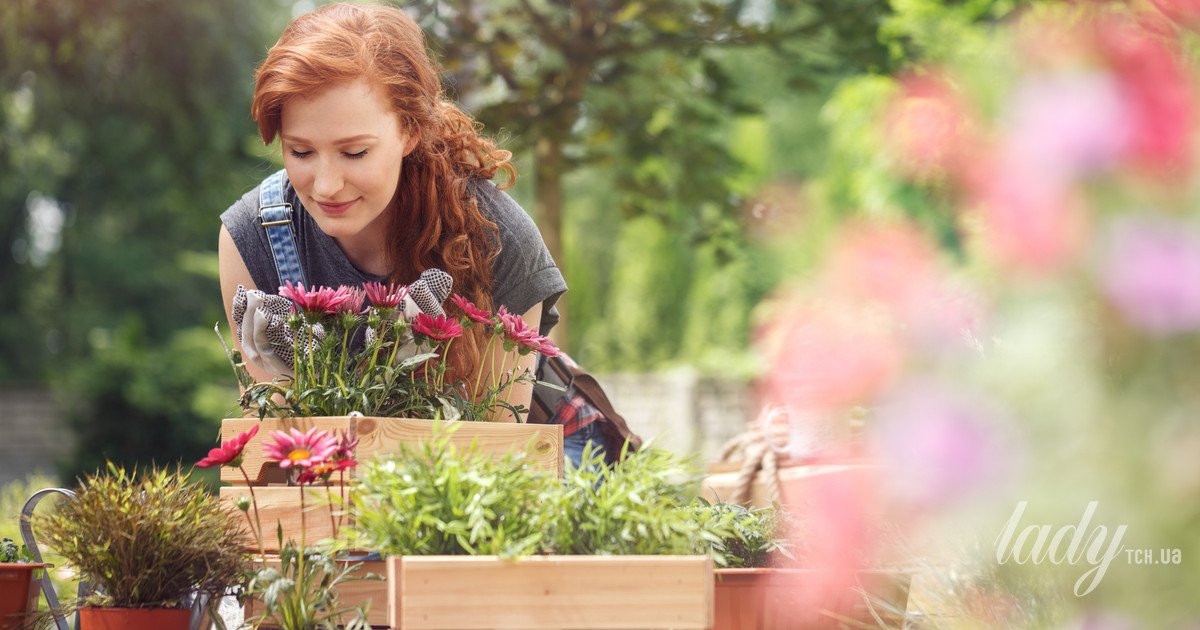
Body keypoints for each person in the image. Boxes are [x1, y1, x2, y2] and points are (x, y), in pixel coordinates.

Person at [217, 2, 566, 423]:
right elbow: (273, 452)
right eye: (301, 151)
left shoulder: (500, 240)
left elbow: (495, 459)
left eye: (355, 152)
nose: (326, 185)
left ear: (410, 130)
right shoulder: (254, 237)